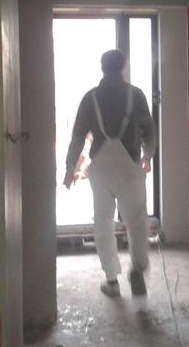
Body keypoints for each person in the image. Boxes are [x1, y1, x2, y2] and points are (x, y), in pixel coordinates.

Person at [63, 49, 157, 298]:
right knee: (136, 220)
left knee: (102, 222)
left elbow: (77, 136)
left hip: (101, 168)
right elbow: (149, 130)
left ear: (102, 68)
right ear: (123, 67)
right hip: (129, 165)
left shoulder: (91, 97)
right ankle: (138, 269)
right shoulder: (135, 94)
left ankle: (111, 281)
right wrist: (148, 156)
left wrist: (70, 168)